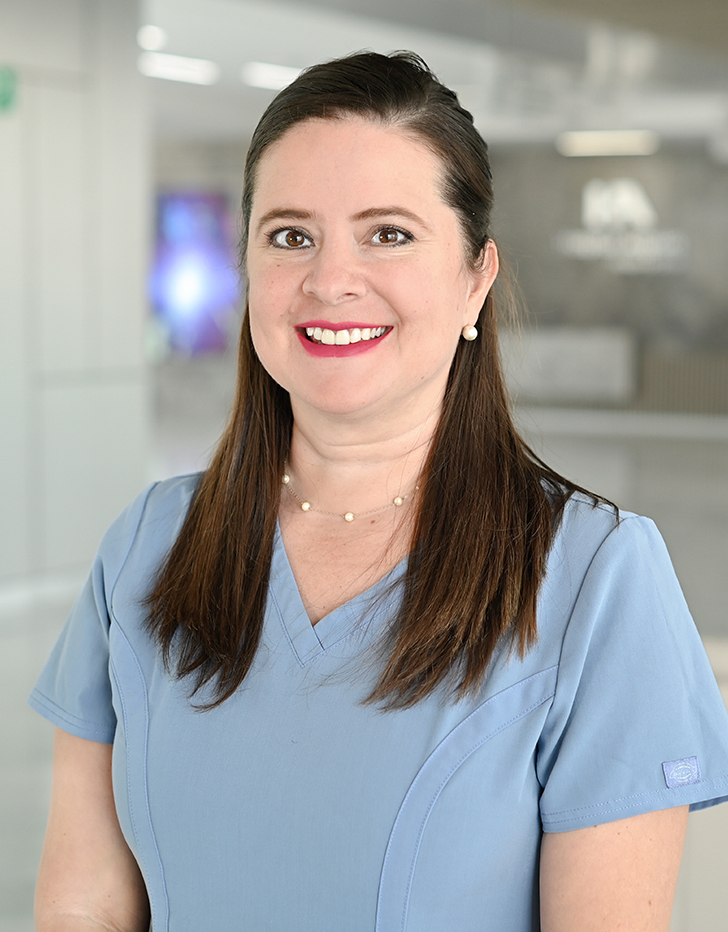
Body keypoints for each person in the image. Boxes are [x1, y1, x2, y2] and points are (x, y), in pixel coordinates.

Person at [30, 51, 728, 932]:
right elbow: (83, 904)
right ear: (248, 269)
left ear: (476, 277)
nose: (330, 280)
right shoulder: (148, 545)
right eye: (290, 236)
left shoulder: (596, 577)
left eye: (388, 233)